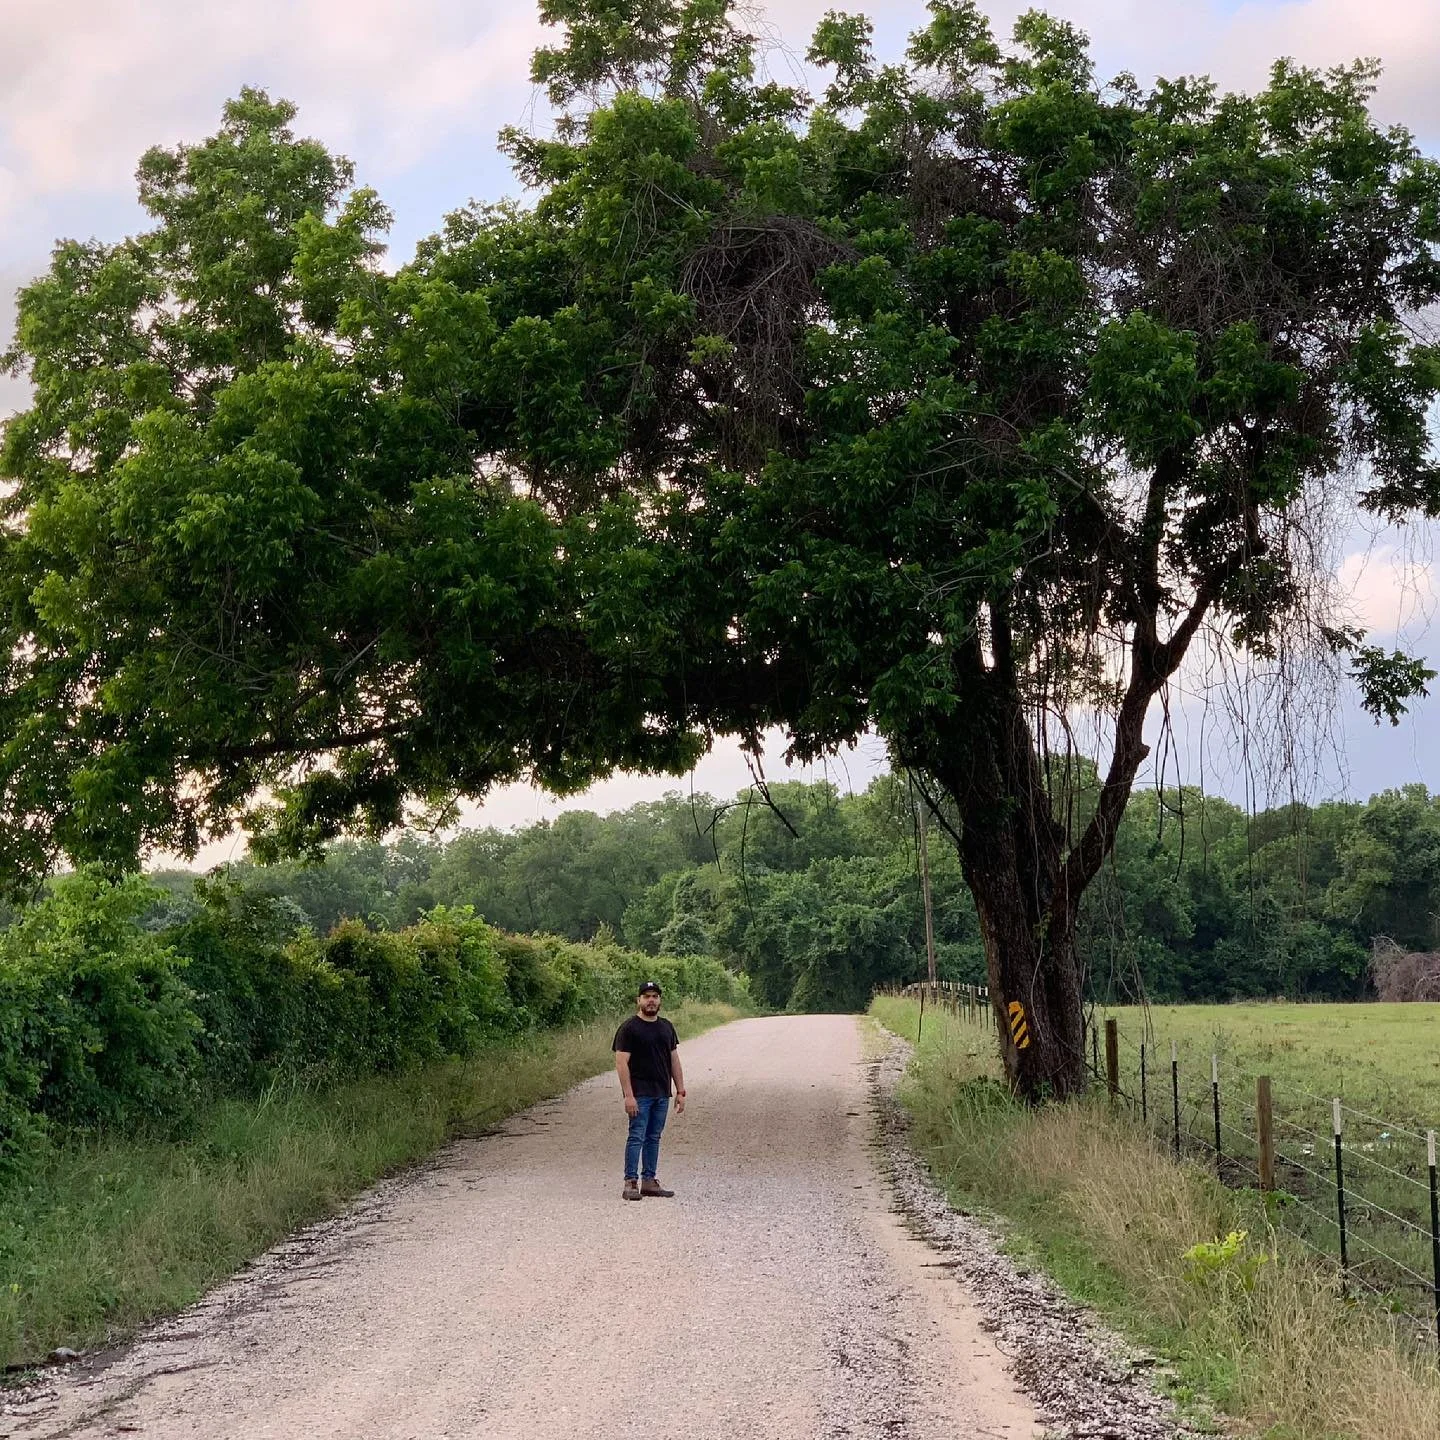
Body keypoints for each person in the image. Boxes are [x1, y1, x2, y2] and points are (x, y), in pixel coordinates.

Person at [612, 980, 686, 1201]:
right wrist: (628, 1096)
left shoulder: (666, 1027)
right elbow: (621, 1063)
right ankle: (630, 1182)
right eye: (647, 996)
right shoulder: (629, 1028)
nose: (651, 1000)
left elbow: (674, 1059)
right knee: (637, 1136)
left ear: (660, 1000)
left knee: (654, 1137)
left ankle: (650, 1181)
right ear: (639, 1000)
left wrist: (680, 1091)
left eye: (655, 996)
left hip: (661, 1093)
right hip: (640, 1094)